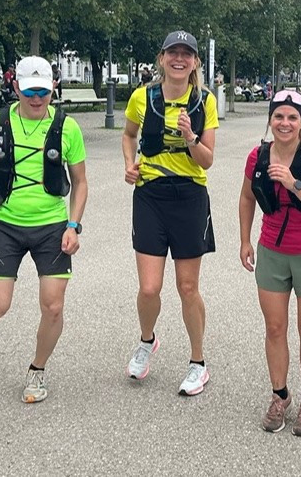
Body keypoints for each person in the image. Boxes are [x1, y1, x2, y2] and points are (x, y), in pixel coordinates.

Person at [0, 56, 88, 403]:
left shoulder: (67, 127)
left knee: (54, 306)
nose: (35, 98)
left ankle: (37, 370)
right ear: (15, 86)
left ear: (53, 88)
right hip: (5, 225)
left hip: (51, 226)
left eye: (42, 91)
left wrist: (73, 225)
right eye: (29, 90)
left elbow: (80, 182)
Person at [122, 30, 219, 396]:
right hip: (150, 195)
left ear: (195, 62)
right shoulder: (141, 97)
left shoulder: (204, 101)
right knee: (149, 287)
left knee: (188, 286)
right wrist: (129, 164)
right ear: (162, 58)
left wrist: (192, 137)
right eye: (173, 53)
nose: (180, 59)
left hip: (189, 196)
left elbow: (207, 161)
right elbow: (129, 135)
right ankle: (147, 341)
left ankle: (198, 362)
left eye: (187, 54)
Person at [239, 89, 301, 437]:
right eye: (278, 116)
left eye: (292, 117)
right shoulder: (258, 155)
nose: (284, 123)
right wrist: (244, 240)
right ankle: (280, 394)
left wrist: (294, 183)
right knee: (275, 328)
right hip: (272, 250)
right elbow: (247, 196)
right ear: (270, 119)